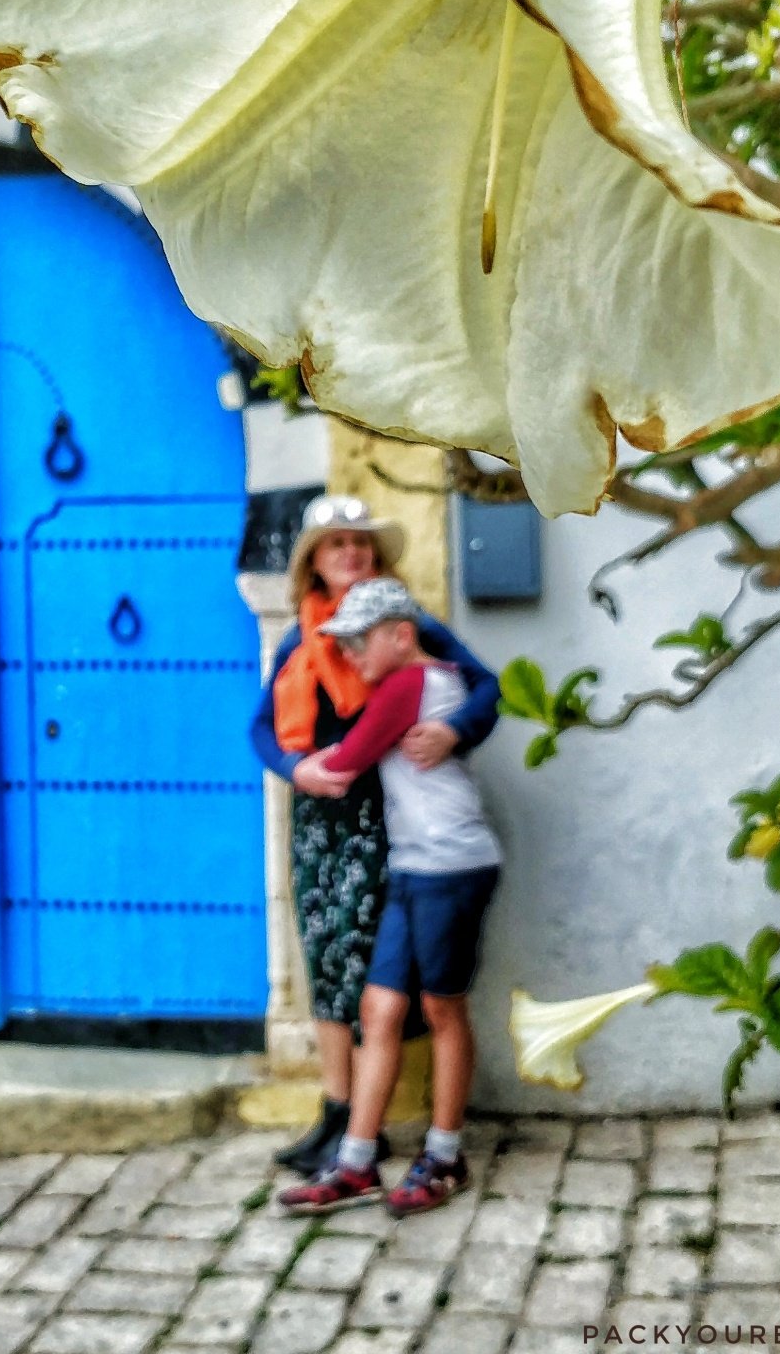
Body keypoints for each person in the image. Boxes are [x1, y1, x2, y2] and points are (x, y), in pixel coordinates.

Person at [248, 495, 499, 1175]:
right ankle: (337, 1114)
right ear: (314, 567)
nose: (351, 554)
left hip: (381, 823)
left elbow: (482, 688)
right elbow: (261, 729)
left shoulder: (402, 630)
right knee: (326, 965)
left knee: (371, 975)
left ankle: (366, 1123)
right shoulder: (300, 640)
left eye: (361, 544)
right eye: (336, 547)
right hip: (317, 824)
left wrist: (452, 731)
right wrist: (295, 769)